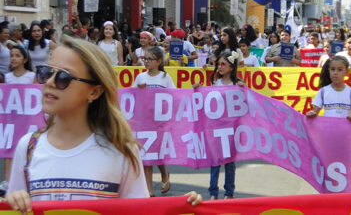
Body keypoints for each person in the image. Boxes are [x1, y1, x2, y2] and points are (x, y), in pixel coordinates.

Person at [6, 36, 202, 213]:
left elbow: (140, 211)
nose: (49, 82)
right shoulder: (28, 147)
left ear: (94, 92)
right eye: (45, 73)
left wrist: (180, 208)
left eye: (63, 77)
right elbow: (13, 207)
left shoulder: (121, 150)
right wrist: (14, 202)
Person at [193, 51, 244, 200]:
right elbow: (208, 105)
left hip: (232, 130)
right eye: (218, 64)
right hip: (216, 129)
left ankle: (229, 193)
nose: (220, 67)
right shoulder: (215, 84)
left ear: (232, 67)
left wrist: (243, 89)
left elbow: (245, 105)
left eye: (223, 64)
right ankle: (213, 192)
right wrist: (198, 90)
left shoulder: (237, 84)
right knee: (214, 161)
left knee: (230, 164)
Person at [133, 47, 173, 197]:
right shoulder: (140, 77)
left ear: (159, 61)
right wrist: (139, 90)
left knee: (158, 153)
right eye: (145, 58)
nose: (147, 62)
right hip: (144, 121)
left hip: (160, 122)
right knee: (146, 154)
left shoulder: (165, 77)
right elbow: (132, 98)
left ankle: (164, 174)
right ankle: (149, 190)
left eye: (150, 59)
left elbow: (173, 96)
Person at [1, 45, 35, 195]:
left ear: (25, 59)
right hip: (11, 119)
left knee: (26, 148)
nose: (13, 58)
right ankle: (7, 183)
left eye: (17, 55)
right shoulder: (7, 77)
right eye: (12, 55)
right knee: (9, 148)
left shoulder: (31, 76)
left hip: (26, 118)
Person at [306, 56, 351, 121]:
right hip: (327, 130)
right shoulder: (323, 91)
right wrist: (310, 114)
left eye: (340, 70)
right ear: (329, 70)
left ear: (347, 72)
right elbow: (314, 113)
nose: (335, 73)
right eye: (333, 69)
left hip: (345, 130)